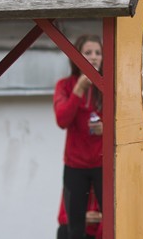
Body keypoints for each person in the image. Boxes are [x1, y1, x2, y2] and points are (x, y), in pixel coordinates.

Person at [53, 34, 104, 239]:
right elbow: (62, 120)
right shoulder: (64, 85)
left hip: (102, 163)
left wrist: (106, 128)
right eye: (88, 52)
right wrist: (78, 90)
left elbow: (124, 121)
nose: (93, 57)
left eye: (98, 53)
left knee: (113, 221)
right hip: (75, 165)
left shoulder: (108, 86)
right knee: (73, 228)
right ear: (76, 56)